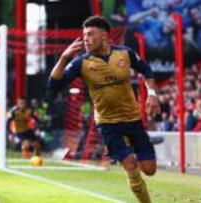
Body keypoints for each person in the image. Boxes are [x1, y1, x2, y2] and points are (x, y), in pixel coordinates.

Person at [48, 16, 160, 203]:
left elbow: (146, 69)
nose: (86, 39)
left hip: (132, 119)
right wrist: (63, 57)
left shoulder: (125, 53)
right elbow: (53, 85)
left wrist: (152, 94)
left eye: (90, 34)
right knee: (130, 165)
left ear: (105, 36)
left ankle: (130, 147)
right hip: (108, 124)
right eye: (84, 35)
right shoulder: (81, 62)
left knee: (150, 169)